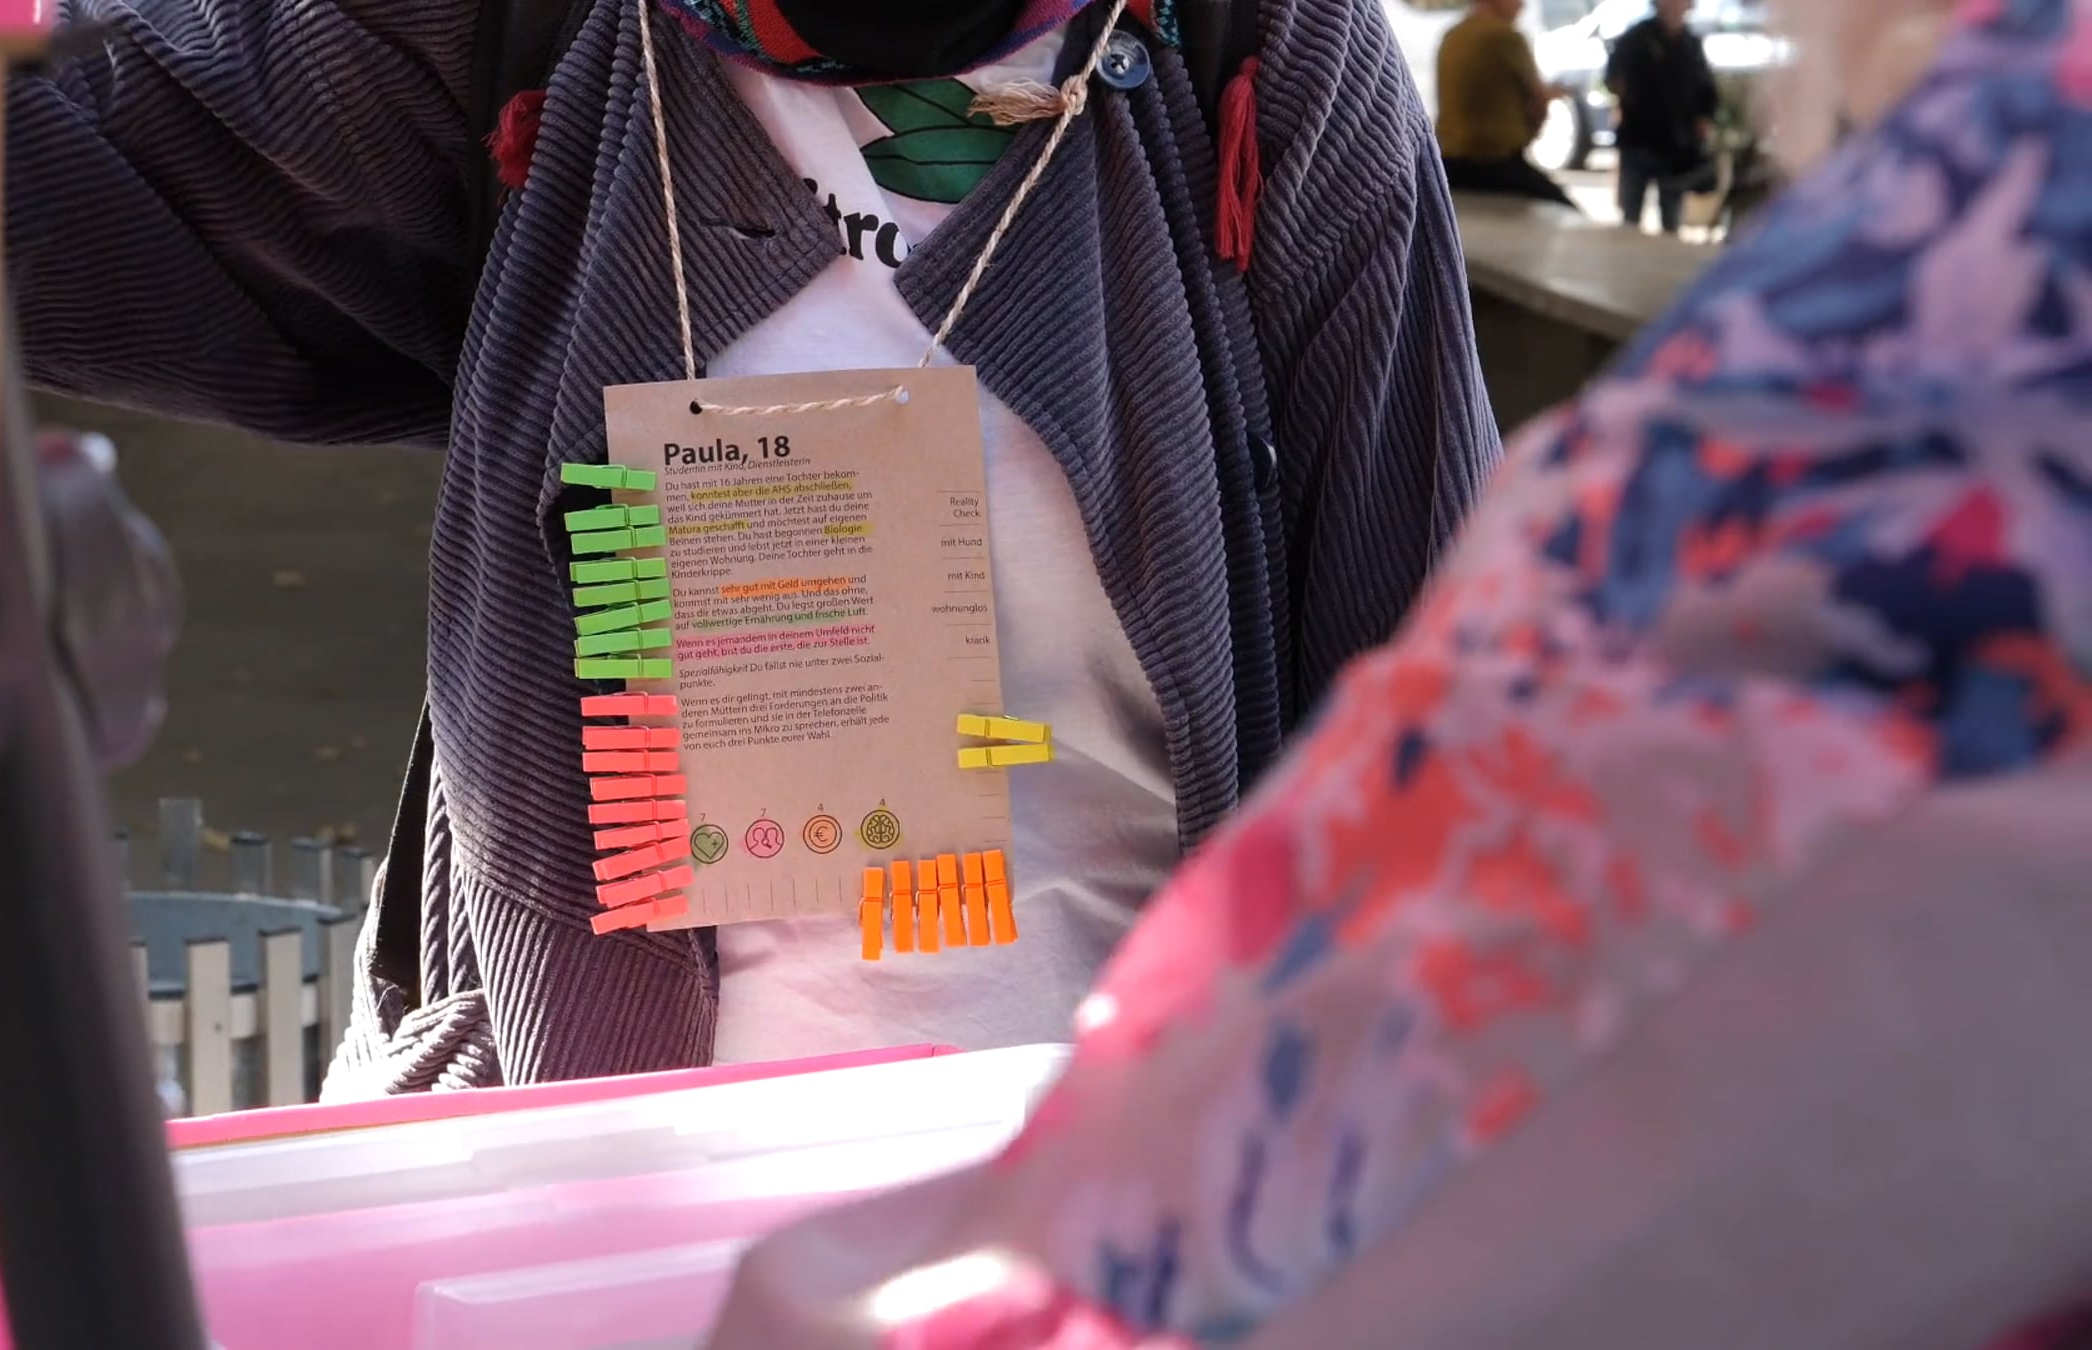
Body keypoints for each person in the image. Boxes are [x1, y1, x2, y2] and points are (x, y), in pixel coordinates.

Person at [0, 0, 1499, 1089]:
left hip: (1101, 1200)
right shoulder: (536, 38)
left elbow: (1455, 737)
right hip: (597, 1201)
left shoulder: (1257, 56)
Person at [708, 0, 2092, 1344]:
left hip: (1125, 1180)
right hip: (699, 1148)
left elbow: (1478, 1005)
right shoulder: (580, 73)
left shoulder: (1979, 263)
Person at [1435, 0, 1578, 207]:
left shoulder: (1452, 35)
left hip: (1447, 164)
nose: (1522, 6)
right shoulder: (1505, 36)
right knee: (1567, 211)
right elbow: (1538, 101)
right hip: (1494, 165)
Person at [1607, 0, 1721, 233]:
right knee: (1630, 217)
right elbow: (1613, 79)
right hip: (1638, 138)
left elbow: (1706, 89)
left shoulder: (1690, 44)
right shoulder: (1636, 38)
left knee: (1671, 218)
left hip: (1675, 145)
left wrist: (1703, 118)